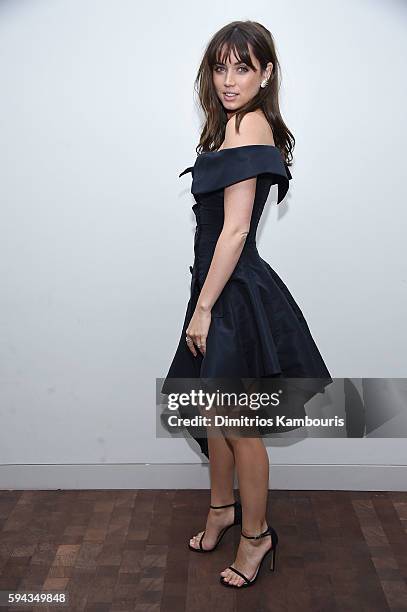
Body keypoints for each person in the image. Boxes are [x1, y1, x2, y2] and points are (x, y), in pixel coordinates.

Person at [161, 20, 332, 588]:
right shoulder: (230, 123)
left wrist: (205, 308)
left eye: (243, 67)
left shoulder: (251, 126)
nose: (230, 79)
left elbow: (235, 232)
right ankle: (222, 511)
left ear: (267, 72)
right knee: (213, 411)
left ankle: (257, 538)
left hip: (230, 293)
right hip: (216, 285)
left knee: (238, 423)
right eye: (221, 66)